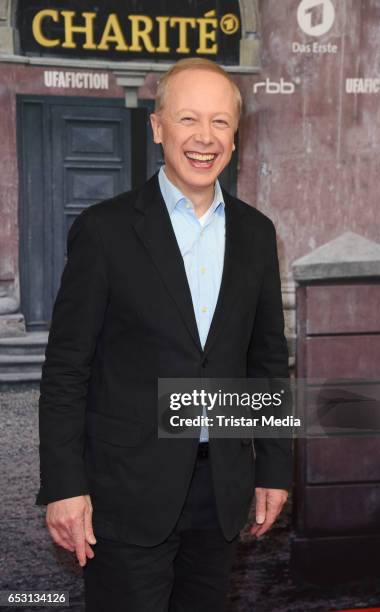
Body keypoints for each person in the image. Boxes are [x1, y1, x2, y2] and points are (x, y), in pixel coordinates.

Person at [36, 57, 293, 612]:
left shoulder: (256, 233)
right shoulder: (104, 231)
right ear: (158, 128)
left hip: (220, 491)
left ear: (236, 135)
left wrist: (273, 467)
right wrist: (63, 485)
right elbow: (66, 370)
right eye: (189, 120)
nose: (205, 138)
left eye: (221, 122)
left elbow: (267, 361)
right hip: (125, 495)